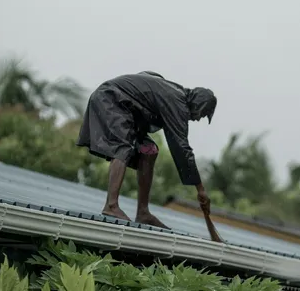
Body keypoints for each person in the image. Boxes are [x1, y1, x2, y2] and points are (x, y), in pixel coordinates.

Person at [77, 71, 217, 229]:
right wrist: (200, 189)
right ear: (199, 104)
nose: (198, 119)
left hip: (127, 111)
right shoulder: (177, 101)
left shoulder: (173, 94)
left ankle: (143, 212)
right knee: (124, 146)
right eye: (203, 114)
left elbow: (147, 78)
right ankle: (111, 205)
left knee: (149, 150)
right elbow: (181, 147)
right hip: (111, 99)